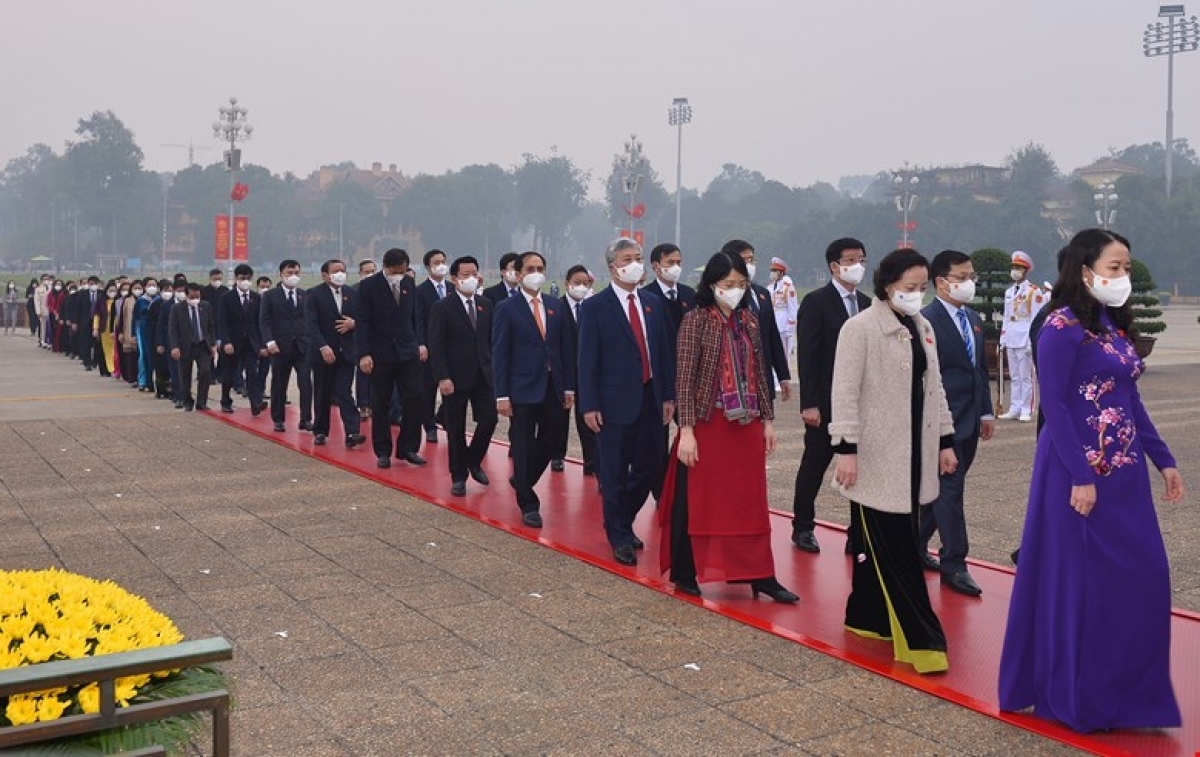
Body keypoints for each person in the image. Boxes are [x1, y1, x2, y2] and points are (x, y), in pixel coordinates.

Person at [999, 228, 1186, 732]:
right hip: (1077, 476)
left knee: (1144, 576)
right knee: (1083, 588)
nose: (1123, 277)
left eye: (1127, 268)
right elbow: (1053, 405)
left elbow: (1130, 402)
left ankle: (1131, 698)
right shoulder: (1059, 327)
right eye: (1114, 268)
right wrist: (1080, 476)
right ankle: (1076, 696)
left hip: (1125, 481)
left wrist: (1163, 460)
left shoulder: (1112, 327)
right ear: (1085, 271)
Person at [828, 248, 957, 675]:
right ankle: (924, 641)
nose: (916, 295)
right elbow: (843, 393)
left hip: (913, 456)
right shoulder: (859, 328)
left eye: (922, 288)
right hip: (874, 459)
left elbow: (934, 387)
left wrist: (945, 439)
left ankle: (867, 619)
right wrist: (845, 449)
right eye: (908, 288)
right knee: (898, 549)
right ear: (887, 286)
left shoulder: (921, 327)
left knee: (880, 547)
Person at [658, 252, 797, 603]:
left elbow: (761, 373)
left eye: (740, 285)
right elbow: (685, 378)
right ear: (712, 286)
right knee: (699, 500)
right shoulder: (696, 320)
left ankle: (759, 574)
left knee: (748, 501)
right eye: (727, 285)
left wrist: (767, 421)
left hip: (746, 424)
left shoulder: (749, 320)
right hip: (708, 423)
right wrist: (685, 430)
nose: (735, 291)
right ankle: (687, 571)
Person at [578, 238, 676, 566]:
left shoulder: (653, 303)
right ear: (612, 267)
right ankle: (619, 535)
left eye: (637, 258)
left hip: (651, 397)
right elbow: (587, 360)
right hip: (612, 401)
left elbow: (662, 353)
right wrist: (589, 404)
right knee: (615, 471)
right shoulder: (594, 308)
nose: (634, 264)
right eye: (627, 259)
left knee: (650, 468)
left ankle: (619, 519)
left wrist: (667, 396)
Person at [918, 250, 995, 597]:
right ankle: (955, 563)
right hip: (940, 423)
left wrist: (986, 411)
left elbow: (979, 370)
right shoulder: (925, 321)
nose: (969, 284)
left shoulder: (974, 319)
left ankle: (913, 545)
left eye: (972, 277)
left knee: (937, 493)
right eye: (962, 278)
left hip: (970, 419)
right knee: (951, 490)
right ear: (941, 282)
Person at [791, 238, 872, 554]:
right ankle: (803, 527)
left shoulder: (868, 303)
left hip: (860, 404)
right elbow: (808, 355)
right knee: (814, 464)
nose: (858, 266)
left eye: (862, 260)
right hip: (825, 403)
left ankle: (858, 534)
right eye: (851, 260)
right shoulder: (816, 301)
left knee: (861, 471)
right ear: (834, 266)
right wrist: (809, 402)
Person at [492, 251, 574, 527]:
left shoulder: (555, 305)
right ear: (518, 273)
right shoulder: (506, 308)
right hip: (521, 388)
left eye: (540, 267)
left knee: (554, 438)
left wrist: (569, 388)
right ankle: (528, 503)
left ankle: (523, 479)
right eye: (530, 268)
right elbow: (500, 353)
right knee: (523, 445)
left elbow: (564, 349)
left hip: (553, 386)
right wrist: (502, 395)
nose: (535, 272)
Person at [427, 256, 496, 496]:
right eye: (466, 275)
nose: (472, 278)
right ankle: (458, 476)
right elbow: (436, 345)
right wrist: (442, 376)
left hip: (483, 375)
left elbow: (489, 342)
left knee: (489, 420)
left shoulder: (485, 305)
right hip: (454, 378)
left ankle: (473, 460)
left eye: (474, 273)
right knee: (455, 427)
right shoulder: (443, 307)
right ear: (454, 279)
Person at [355, 248, 426, 468]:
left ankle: (408, 448)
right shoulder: (368, 286)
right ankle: (383, 450)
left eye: (403, 271)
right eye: (397, 271)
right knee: (382, 402)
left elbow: (415, 317)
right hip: (380, 353)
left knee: (415, 398)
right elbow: (363, 322)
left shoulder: (408, 283)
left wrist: (420, 343)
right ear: (386, 267)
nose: (400, 275)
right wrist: (364, 353)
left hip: (407, 351)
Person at [720, 240, 791, 401]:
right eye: (744, 260)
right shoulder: (721, 296)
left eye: (752, 260)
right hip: (734, 378)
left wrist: (783, 375)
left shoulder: (762, 294)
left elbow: (772, 336)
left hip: (762, 376)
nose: (750, 264)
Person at [305, 259, 365, 447]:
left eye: (343, 270)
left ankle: (352, 432)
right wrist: (323, 346)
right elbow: (311, 324)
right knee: (322, 393)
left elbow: (363, 319)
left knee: (344, 391)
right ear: (324, 275)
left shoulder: (352, 294)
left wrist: (353, 324)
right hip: (323, 352)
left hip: (346, 352)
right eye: (335, 271)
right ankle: (321, 430)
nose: (340, 274)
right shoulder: (314, 294)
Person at [551, 265, 598, 477]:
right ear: (567, 283)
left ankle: (591, 461)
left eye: (585, 283)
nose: (581, 287)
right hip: (562, 370)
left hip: (587, 372)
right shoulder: (556, 307)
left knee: (587, 418)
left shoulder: (593, 307)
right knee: (560, 418)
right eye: (577, 283)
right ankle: (557, 456)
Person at [259, 260, 314, 432]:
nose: (293, 276)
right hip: (280, 347)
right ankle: (278, 418)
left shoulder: (305, 295)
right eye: (290, 273)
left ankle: (305, 418)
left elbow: (309, 320)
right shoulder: (270, 296)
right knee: (279, 384)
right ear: (281, 274)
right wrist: (269, 342)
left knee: (306, 383)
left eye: (297, 273)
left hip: (302, 347)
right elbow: (264, 321)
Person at [998, 250, 1046, 422]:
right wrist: (1002, 339)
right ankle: (1015, 407)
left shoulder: (1034, 291)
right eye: (1014, 268)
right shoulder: (1009, 292)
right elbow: (1006, 316)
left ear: (1025, 271)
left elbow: (1036, 318)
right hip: (1011, 336)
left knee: (1026, 376)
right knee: (1015, 375)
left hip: (1025, 336)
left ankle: (1026, 408)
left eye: (1018, 268)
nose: (1015, 271)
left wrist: (1031, 341)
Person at [216, 265, 266, 415]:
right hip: (232, 341)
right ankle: (226, 401)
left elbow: (259, 322)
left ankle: (255, 403)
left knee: (252, 372)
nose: (245, 281)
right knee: (229, 373)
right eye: (242, 278)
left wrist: (262, 344)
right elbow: (222, 321)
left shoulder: (256, 298)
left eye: (248, 278)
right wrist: (226, 341)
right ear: (236, 278)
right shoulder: (226, 297)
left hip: (250, 342)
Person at [415, 249, 449, 444]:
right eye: (436, 262)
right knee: (428, 390)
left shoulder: (453, 288)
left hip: (450, 348)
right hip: (429, 346)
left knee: (452, 388)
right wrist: (421, 343)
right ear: (428, 267)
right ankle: (429, 426)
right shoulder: (421, 291)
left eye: (443, 261)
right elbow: (418, 319)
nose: (441, 265)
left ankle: (444, 418)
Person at [168, 283, 217, 411]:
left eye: (197, 296)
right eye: (192, 296)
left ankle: (202, 402)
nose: (195, 299)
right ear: (186, 295)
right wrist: (174, 346)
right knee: (185, 375)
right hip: (186, 346)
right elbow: (172, 329)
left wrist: (213, 344)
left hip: (202, 345)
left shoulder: (205, 306)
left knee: (205, 372)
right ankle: (187, 401)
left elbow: (210, 326)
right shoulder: (177, 308)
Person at [353, 260, 376, 417]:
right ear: (360, 273)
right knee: (362, 372)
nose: (370, 274)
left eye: (373, 270)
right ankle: (363, 405)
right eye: (367, 271)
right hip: (359, 337)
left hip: (377, 337)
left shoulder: (381, 289)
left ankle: (375, 405)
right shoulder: (353, 291)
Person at [768, 257, 799, 358]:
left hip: (784, 321)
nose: (772, 273)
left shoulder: (788, 286)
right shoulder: (770, 286)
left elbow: (792, 306)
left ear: (781, 273)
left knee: (783, 354)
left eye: (775, 270)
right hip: (774, 319)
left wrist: (790, 325)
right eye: (771, 270)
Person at [93, 282, 119, 377]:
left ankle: (115, 368)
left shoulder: (119, 301)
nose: (112, 292)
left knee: (115, 349)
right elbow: (97, 315)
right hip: (104, 328)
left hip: (116, 328)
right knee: (106, 349)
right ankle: (108, 369)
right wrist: (95, 328)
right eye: (110, 290)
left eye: (114, 290)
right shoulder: (101, 301)